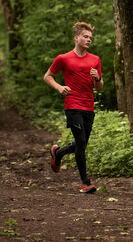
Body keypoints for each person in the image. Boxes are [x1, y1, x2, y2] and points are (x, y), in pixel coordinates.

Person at [44, 22, 104, 194]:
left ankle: (59, 153)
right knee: (80, 142)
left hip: (88, 106)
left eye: (91, 38)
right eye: (85, 36)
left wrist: (97, 77)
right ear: (76, 38)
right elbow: (47, 76)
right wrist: (59, 87)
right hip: (72, 105)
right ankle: (85, 183)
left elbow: (99, 87)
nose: (89, 40)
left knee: (82, 144)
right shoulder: (63, 58)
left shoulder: (95, 60)